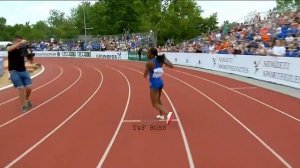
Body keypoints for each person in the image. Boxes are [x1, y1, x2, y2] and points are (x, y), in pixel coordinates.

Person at [144, 47, 174, 125]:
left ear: (152, 54)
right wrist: (164, 59)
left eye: (148, 53)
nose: (146, 54)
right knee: (158, 99)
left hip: (154, 84)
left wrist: (148, 76)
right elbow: (171, 66)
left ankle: (168, 114)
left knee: (154, 104)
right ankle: (161, 115)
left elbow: (145, 75)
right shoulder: (160, 60)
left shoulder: (149, 63)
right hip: (160, 82)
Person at [6, 35, 33, 112]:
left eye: (21, 41)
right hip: (13, 71)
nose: (20, 43)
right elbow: (9, 49)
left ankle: (27, 100)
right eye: (18, 41)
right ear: (14, 41)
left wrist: (30, 57)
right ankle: (23, 106)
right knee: (20, 88)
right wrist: (20, 43)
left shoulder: (23, 48)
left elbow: (27, 57)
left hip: (23, 70)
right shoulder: (9, 45)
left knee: (29, 88)